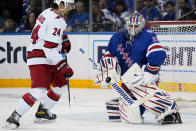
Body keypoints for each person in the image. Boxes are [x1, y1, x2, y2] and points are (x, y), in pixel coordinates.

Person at [95, 11, 182, 125]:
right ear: (126, 25)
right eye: (130, 26)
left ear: (141, 26)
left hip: (143, 78)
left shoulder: (148, 36)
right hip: (127, 80)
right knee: (130, 117)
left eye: (136, 26)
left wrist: (149, 74)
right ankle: (140, 107)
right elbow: (108, 56)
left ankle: (171, 111)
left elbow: (159, 53)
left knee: (148, 96)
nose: (133, 29)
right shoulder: (116, 38)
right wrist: (107, 72)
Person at [4, 0, 75, 129]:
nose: (71, 8)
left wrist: (62, 38)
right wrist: (63, 65)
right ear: (61, 4)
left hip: (44, 55)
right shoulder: (58, 21)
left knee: (61, 86)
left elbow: (49, 32)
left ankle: (44, 111)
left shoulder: (47, 12)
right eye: (69, 5)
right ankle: (15, 116)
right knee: (38, 91)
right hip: (40, 57)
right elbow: (49, 48)